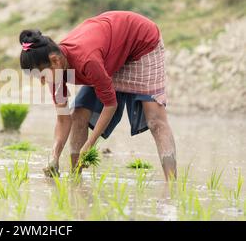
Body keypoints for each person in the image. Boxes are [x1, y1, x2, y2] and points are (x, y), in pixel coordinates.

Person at [18, 11, 177, 180]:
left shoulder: (87, 60)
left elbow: (110, 105)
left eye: (42, 76)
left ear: (55, 60)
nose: (43, 82)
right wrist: (54, 156)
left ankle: (173, 185)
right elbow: (63, 119)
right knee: (78, 114)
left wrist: (89, 145)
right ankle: (75, 180)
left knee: (155, 120)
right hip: (109, 52)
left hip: (141, 43)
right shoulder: (54, 70)